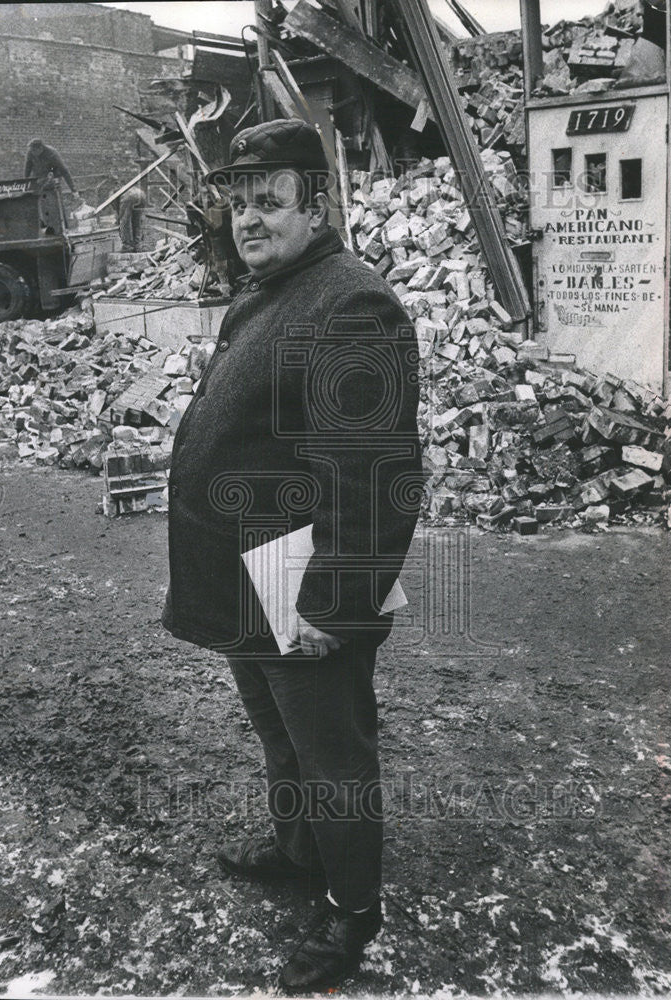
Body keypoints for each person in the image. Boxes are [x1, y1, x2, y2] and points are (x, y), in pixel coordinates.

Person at [161, 119, 422, 991]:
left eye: (268, 201)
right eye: (238, 203)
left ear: (318, 205)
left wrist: (332, 603)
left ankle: (353, 907)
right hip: (244, 574)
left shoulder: (350, 301)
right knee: (279, 735)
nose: (248, 219)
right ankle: (297, 849)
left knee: (331, 751)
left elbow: (374, 476)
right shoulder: (273, 289)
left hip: (296, 583)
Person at [117, 184, 146, 252]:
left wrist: (118, 219)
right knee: (137, 221)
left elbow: (120, 215)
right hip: (141, 194)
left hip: (129, 196)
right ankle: (138, 245)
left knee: (124, 222)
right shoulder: (123, 188)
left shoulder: (113, 195)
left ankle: (127, 246)